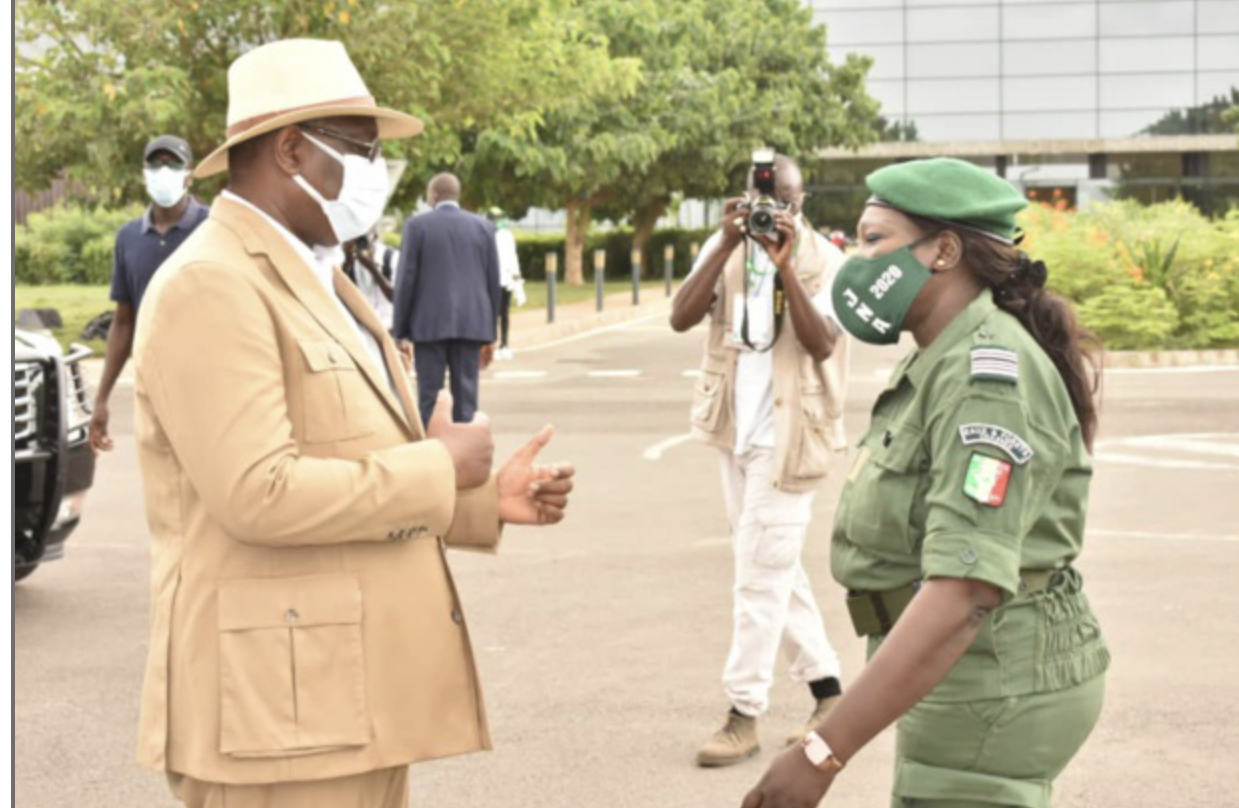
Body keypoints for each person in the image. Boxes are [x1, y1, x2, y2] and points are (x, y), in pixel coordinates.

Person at [131, 39, 575, 808]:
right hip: (277, 718)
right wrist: (440, 470)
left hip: (338, 698)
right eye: (361, 150)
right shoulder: (212, 283)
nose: (376, 173)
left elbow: (343, 454)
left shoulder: (315, 271)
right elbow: (257, 493)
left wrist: (474, 501)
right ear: (292, 150)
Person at [741, 158, 1108, 808]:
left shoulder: (981, 376)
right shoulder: (942, 354)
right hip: (962, 675)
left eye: (874, 239)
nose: (857, 258)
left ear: (942, 251)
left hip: (989, 683)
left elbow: (964, 588)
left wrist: (821, 753)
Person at [670, 154, 851, 768]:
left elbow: (823, 341)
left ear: (803, 202)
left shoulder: (827, 260)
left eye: (787, 201)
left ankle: (743, 714)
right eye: (762, 199)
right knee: (771, 564)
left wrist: (784, 270)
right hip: (734, 430)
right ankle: (827, 690)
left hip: (791, 435)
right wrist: (724, 244)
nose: (775, 211)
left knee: (758, 575)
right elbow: (681, 316)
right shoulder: (724, 246)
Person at [89, 134, 207, 454]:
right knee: (163, 483)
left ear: (189, 174)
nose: (164, 171)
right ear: (144, 174)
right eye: (157, 164)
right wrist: (101, 399)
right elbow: (124, 322)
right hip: (152, 383)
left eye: (173, 164)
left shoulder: (212, 228)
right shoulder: (128, 237)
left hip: (207, 380)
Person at [391, 173, 502, 426]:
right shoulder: (483, 227)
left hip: (428, 325)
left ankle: (433, 456)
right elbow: (492, 282)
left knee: (429, 397)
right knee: (467, 399)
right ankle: (466, 457)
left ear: (433, 196)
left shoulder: (417, 227)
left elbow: (405, 281)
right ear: (457, 195)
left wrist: (400, 332)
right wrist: (490, 335)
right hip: (471, 325)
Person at [487, 207, 526, 360]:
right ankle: (493, 345)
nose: (498, 221)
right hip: (491, 280)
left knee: (505, 314)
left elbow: (513, 258)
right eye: (495, 218)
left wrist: (518, 283)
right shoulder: (486, 235)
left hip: (506, 280)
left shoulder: (507, 235)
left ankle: (505, 345)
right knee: (493, 315)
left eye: (500, 218)